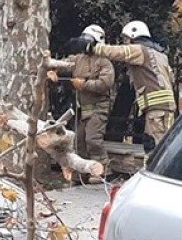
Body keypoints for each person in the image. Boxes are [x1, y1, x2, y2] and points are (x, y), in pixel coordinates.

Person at [70, 20, 175, 156]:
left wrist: (92, 47)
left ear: (133, 36)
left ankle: (154, 175)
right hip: (162, 107)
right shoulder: (160, 55)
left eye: (126, 39)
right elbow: (171, 79)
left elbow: (118, 52)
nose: (125, 42)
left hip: (157, 109)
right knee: (156, 145)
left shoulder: (139, 49)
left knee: (156, 148)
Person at [68, 25, 115, 182]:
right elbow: (65, 65)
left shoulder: (104, 62)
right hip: (83, 110)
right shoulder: (79, 59)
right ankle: (81, 172)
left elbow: (105, 83)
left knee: (93, 140)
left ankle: (102, 171)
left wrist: (84, 84)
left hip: (98, 108)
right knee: (78, 140)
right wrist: (52, 70)